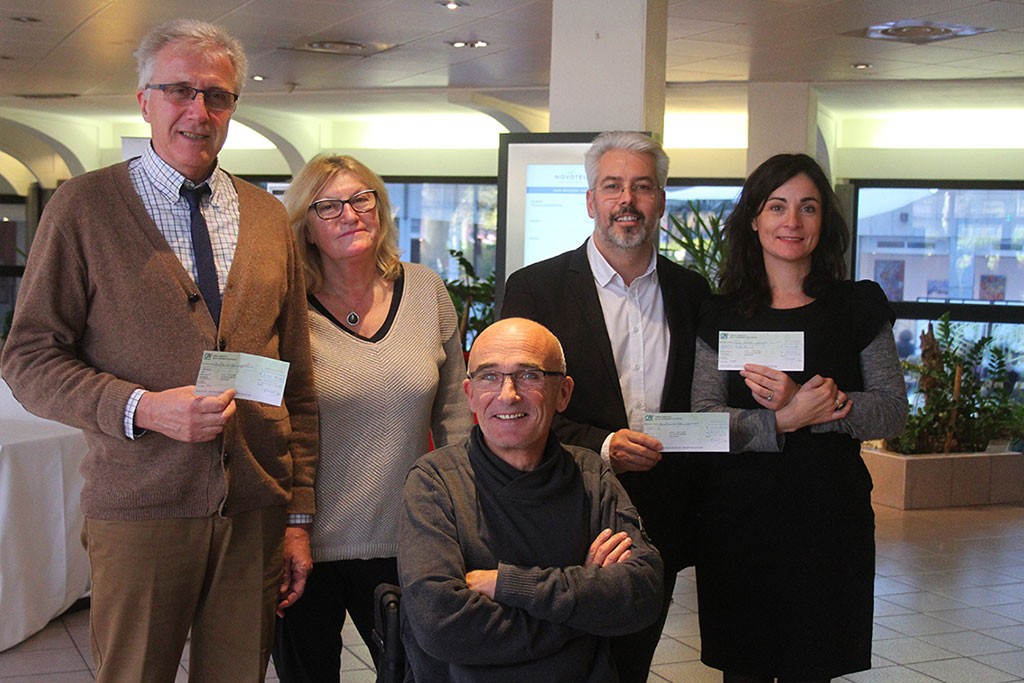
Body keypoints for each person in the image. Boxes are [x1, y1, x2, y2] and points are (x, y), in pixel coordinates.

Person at [0, 19, 318, 683]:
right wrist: (141, 407)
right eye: (179, 90)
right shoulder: (83, 208)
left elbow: (296, 385)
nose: (198, 111)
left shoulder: (267, 217)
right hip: (140, 507)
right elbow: (28, 358)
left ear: (233, 107)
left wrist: (296, 516)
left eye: (217, 96)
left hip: (253, 511)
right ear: (144, 100)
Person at [500, 130, 710, 680]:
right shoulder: (536, 289)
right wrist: (606, 445)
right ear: (591, 200)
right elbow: (516, 406)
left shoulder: (692, 293)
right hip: (565, 511)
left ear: (660, 200)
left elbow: (706, 401)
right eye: (613, 186)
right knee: (558, 664)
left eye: (642, 186)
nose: (627, 200)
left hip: (660, 521)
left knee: (632, 665)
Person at [690, 153, 908, 683]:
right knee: (743, 669)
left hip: (827, 524)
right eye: (777, 206)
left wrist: (819, 411)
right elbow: (703, 421)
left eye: (808, 207)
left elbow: (892, 411)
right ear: (754, 219)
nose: (792, 221)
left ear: (823, 221)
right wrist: (784, 419)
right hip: (739, 524)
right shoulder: (720, 314)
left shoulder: (857, 305)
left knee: (813, 666)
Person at [271, 154, 473, 682]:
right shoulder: (285, 305)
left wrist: (465, 518)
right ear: (306, 226)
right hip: (302, 542)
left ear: (380, 209)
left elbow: (455, 416)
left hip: (407, 540)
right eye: (329, 206)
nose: (350, 214)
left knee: (418, 674)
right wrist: (288, 527)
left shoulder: (425, 290)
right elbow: (269, 426)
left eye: (362, 199)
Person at [398, 317, 664, 682]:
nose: (508, 394)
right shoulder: (434, 481)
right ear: (469, 394)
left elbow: (643, 592)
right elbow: (441, 625)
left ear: (563, 393)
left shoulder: (590, 474)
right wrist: (582, 606)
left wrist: (509, 585)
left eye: (529, 375)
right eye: (489, 376)